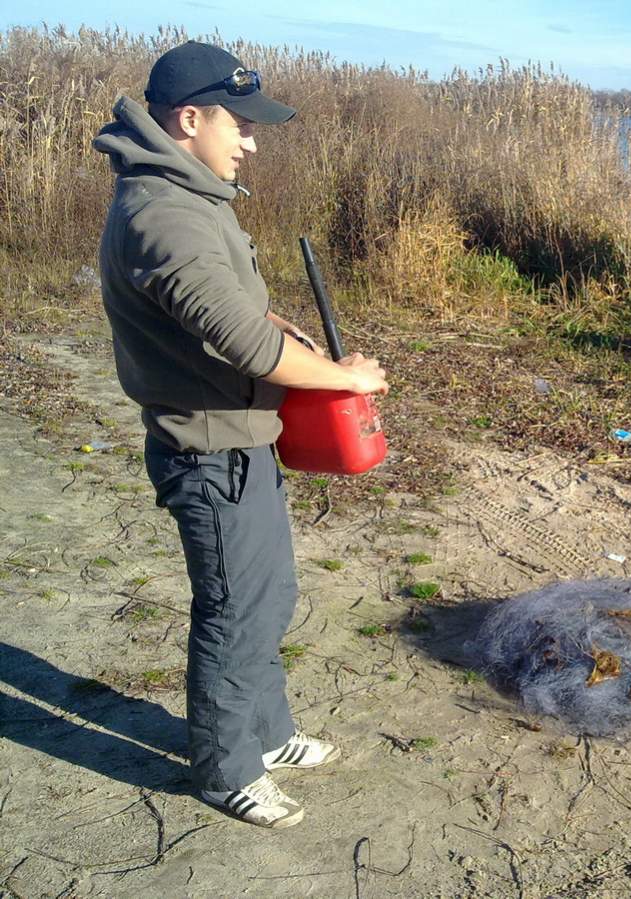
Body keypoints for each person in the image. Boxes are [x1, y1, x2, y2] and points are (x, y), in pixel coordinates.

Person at [93, 40, 389, 828]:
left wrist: (289, 332)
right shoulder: (163, 214)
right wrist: (348, 379)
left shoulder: (192, 196)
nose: (251, 142)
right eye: (241, 125)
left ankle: (268, 730)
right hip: (209, 450)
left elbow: (238, 311)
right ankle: (227, 770)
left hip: (241, 439)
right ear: (190, 119)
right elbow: (246, 344)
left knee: (268, 593)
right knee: (234, 608)